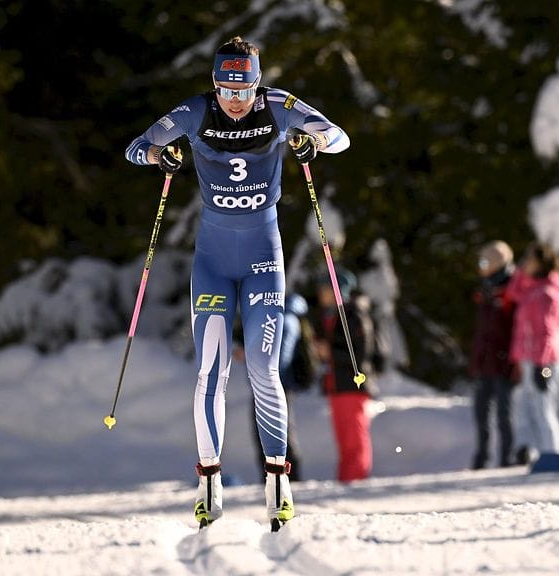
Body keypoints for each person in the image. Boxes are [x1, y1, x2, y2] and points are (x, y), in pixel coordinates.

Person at [124, 37, 349, 529]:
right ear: (214, 84)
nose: (235, 100)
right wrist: (159, 157)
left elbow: (340, 138)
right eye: (226, 90)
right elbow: (135, 148)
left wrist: (313, 143)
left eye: (244, 89)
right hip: (213, 262)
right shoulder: (194, 112)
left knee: (265, 369)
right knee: (212, 371)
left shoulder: (279, 106)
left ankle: (278, 482)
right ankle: (209, 483)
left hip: (263, 258)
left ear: (257, 83)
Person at [505, 242, 559, 465]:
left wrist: (542, 365)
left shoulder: (547, 292)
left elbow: (546, 332)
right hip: (529, 359)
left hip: (545, 361)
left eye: (530, 260)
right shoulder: (531, 289)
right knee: (527, 406)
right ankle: (530, 451)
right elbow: (512, 293)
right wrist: (520, 272)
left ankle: (553, 453)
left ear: (541, 263)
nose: (526, 263)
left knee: (543, 405)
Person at [249, 292, 319, 482]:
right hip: (280, 384)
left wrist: (266, 378)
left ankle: (283, 478)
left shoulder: (284, 320)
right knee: (281, 432)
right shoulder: (292, 319)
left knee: (273, 434)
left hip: (273, 385)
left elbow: (281, 357)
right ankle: (284, 477)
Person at [315, 268, 377, 483]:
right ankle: (346, 480)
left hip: (353, 385)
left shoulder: (354, 313)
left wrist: (330, 352)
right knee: (343, 439)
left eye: (325, 289)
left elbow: (361, 353)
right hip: (337, 385)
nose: (320, 293)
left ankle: (356, 480)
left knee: (353, 439)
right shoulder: (331, 315)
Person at [468, 241, 517, 469]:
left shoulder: (513, 288)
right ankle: (482, 458)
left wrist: (514, 360)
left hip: (504, 361)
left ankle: (507, 458)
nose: (481, 267)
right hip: (484, 361)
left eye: (485, 262)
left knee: (504, 415)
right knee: (481, 413)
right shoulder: (485, 289)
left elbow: (515, 328)